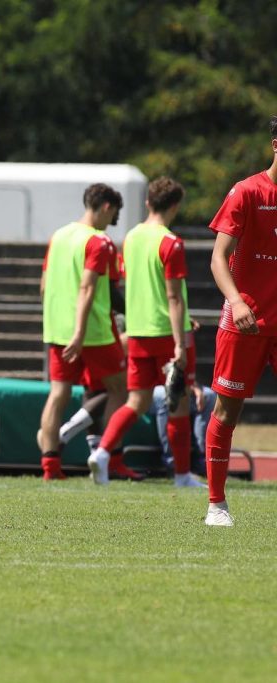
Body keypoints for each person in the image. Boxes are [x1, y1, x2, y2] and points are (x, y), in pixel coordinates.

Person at [86, 177, 204, 487]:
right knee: (177, 405)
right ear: (175, 206)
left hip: (138, 333)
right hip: (167, 332)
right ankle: (181, 476)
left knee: (135, 402)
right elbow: (174, 297)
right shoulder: (171, 243)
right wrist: (181, 343)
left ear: (148, 202)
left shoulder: (132, 238)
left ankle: (101, 452)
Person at [201, 115, 277, 527]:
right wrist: (237, 301)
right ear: (275, 144)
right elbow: (217, 257)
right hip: (245, 321)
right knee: (227, 412)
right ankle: (216, 504)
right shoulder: (247, 191)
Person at [37, 183, 127, 482]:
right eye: (113, 214)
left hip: (57, 329)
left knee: (58, 394)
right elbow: (88, 287)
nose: (111, 221)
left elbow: (44, 285)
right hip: (93, 331)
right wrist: (79, 333)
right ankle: (109, 459)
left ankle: (50, 466)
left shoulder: (59, 236)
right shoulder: (99, 241)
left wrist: (59, 323)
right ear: (105, 207)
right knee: (119, 389)